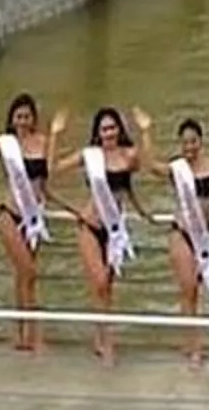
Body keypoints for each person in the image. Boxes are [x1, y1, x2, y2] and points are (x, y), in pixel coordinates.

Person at [0, 93, 60, 355]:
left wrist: (73, 208)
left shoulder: (43, 142)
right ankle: (35, 334)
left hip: (34, 217)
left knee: (24, 278)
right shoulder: (4, 143)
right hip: (10, 213)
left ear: (34, 118)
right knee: (29, 272)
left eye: (27, 116)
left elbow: (47, 181)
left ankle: (22, 335)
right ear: (11, 119)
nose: (22, 121)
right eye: (18, 116)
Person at [62, 105, 153, 364]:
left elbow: (145, 168)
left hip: (114, 230)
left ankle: (101, 337)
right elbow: (54, 169)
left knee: (106, 289)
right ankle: (106, 342)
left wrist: (146, 130)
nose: (109, 133)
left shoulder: (127, 155)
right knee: (100, 282)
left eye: (113, 128)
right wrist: (74, 207)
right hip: (90, 225)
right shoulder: (90, 156)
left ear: (119, 129)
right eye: (104, 129)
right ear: (97, 133)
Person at [167, 113, 209, 370]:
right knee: (188, 290)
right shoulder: (176, 169)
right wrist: (146, 132)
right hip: (182, 233)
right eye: (185, 142)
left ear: (200, 141)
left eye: (193, 141)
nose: (189, 147)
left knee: (198, 291)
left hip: (205, 235)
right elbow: (149, 167)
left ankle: (191, 342)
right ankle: (193, 346)